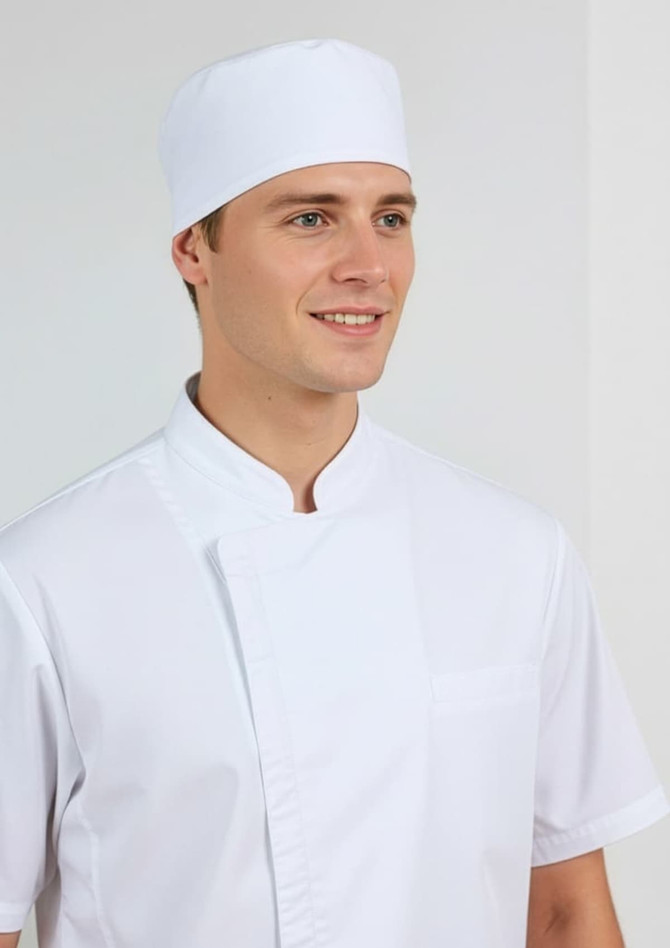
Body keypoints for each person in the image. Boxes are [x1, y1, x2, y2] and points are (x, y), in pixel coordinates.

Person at [0, 37, 667, 948]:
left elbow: (564, 910)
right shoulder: (44, 582)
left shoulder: (517, 554)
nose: (369, 265)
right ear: (195, 249)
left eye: (390, 218)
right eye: (311, 219)